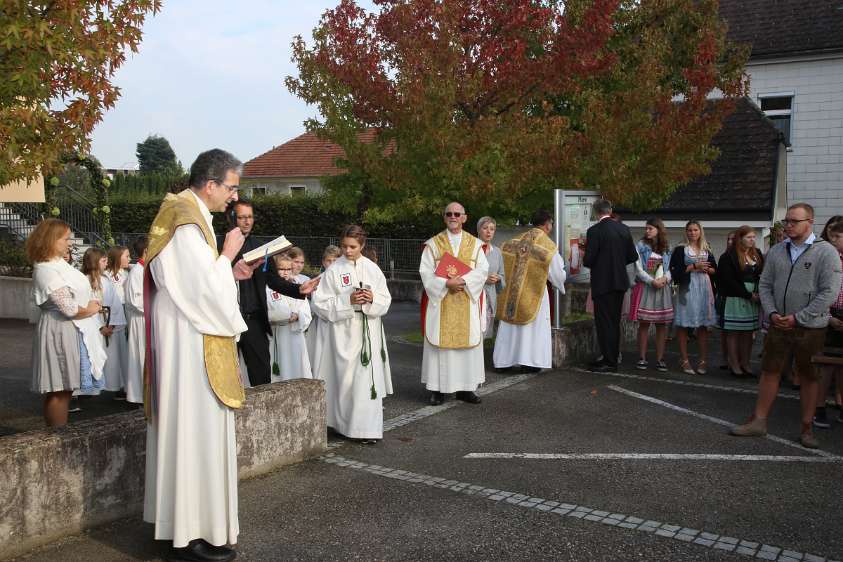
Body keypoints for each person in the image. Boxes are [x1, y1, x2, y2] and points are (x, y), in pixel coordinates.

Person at [143, 149, 317, 562]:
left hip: (192, 336)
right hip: (192, 345)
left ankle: (187, 527)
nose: (233, 198)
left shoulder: (187, 214)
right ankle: (188, 536)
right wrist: (226, 256)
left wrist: (232, 270)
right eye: (231, 188)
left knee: (195, 434)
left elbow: (202, 282)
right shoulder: (186, 221)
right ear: (211, 184)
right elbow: (200, 292)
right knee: (195, 432)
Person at [730, 203, 842, 449]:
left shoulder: (827, 253)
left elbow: (829, 293)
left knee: (809, 376)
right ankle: (758, 421)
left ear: (810, 222)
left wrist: (799, 317)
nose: (788, 225)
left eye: (794, 221)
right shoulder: (778, 250)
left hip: (810, 326)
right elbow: (765, 284)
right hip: (778, 323)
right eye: (787, 221)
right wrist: (771, 313)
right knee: (770, 370)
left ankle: (806, 428)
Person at [221, 200, 316, 387]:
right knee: (225, 374)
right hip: (226, 318)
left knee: (261, 374)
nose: (247, 222)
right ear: (231, 218)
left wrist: (298, 290)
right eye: (241, 217)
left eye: (250, 217)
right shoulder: (219, 245)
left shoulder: (260, 247)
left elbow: (273, 280)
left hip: (254, 319)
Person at [311, 225, 392, 442]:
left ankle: (366, 430)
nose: (348, 251)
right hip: (343, 333)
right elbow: (319, 304)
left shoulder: (373, 269)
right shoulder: (334, 270)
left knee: (365, 382)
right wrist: (348, 301)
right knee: (344, 381)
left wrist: (372, 298)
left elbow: (386, 299)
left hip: (368, 332)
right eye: (345, 246)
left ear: (362, 245)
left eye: (353, 247)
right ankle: (341, 424)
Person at [27, 219, 104, 426]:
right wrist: (92, 309)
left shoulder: (58, 265)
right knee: (59, 388)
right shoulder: (45, 269)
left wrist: (88, 306)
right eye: (65, 238)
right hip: (59, 329)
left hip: (70, 328)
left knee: (66, 388)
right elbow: (68, 308)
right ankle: (56, 436)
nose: (69, 243)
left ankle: (60, 433)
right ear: (51, 240)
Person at [420, 202, 489, 405]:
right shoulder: (433, 244)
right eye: (449, 214)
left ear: (464, 218)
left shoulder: (476, 244)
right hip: (441, 303)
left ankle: (466, 389)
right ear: (444, 217)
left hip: (467, 300)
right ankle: (438, 390)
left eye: (457, 214)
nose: (453, 217)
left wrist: (464, 281)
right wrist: (445, 283)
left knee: (466, 348)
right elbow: (425, 272)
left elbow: (482, 270)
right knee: (441, 348)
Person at [492, 209, 565, 372]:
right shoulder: (547, 246)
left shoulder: (513, 241)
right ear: (547, 225)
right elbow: (558, 274)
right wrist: (561, 282)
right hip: (533, 292)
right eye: (551, 224)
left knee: (510, 328)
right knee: (533, 329)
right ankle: (529, 363)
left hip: (512, 293)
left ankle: (504, 362)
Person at [583, 199, 639, 373]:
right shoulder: (623, 229)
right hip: (620, 282)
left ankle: (609, 361)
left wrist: (586, 252)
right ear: (610, 210)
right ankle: (611, 357)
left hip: (603, 282)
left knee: (604, 322)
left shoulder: (594, 231)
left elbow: (589, 260)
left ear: (596, 212)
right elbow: (632, 256)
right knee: (614, 322)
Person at [668, 220, 718, 375]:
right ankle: (684, 359)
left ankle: (703, 360)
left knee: (702, 325)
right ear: (686, 232)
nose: (692, 233)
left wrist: (708, 270)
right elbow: (674, 271)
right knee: (683, 325)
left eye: (695, 230)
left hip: (704, 288)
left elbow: (715, 269)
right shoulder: (680, 249)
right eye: (689, 230)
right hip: (687, 289)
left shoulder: (706, 248)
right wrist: (693, 266)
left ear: (700, 231)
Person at [717, 226, 764, 377]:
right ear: (740, 238)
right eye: (749, 237)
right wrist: (748, 294)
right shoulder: (728, 256)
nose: (752, 240)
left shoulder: (757, 254)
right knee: (733, 332)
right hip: (735, 298)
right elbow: (728, 280)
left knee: (748, 332)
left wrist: (758, 292)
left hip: (753, 298)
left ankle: (746, 363)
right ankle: (734, 364)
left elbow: (761, 275)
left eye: (753, 237)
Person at [630, 218, 673, 372]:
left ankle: (660, 358)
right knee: (644, 323)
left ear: (658, 230)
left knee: (661, 325)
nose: (647, 231)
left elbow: (670, 267)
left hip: (662, 287)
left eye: (650, 228)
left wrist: (665, 279)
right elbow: (638, 268)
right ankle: (642, 357)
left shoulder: (666, 247)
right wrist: (651, 281)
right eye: (646, 228)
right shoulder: (640, 246)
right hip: (648, 287)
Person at [813, 217, 843, 429]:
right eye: (833, 236)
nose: (835, 239)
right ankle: (819, 407)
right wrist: (828, 317)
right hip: (830, 313)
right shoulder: (825, 257)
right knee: (827, 365)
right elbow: (818, 289)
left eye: (838, 236)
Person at [267, 254, 313, 381]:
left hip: (293, 335)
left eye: (288, 269)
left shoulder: (297, 286)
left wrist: (298, 315)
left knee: (295, 367)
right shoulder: (268, 287)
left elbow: (305, 308)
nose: (285, 273)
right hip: (275, 333)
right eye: (281, 269)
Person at [306, 245, 343, 360]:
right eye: (329, 261)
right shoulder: (319, 280)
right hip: (325, 324)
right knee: (325, 357)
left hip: (342, 323)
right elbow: (316, 304)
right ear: (323, 262)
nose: (332, 264)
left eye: (335, 260)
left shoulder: (344, 278)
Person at [103, 246, 130, 398]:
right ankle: (115, 384)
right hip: (112, 316)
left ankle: (124, 385)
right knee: (113, 353)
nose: (129, 259)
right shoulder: (106, 276)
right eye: (126, 256)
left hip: (125, 314)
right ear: (118, 257)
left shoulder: (126, 274)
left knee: (123, 352)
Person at [124, 235, 148, 404]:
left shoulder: (146, 269)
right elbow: (136, 301)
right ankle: (139, 396)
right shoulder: (136, 272)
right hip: (140, 321)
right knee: (140, 357)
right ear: (146, 251)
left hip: (147, 320)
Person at [476, 216, 505, 339]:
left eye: (492, 229)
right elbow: (464, 274)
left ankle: (480, 358)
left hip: (490, 299)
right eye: (485, 228)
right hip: (474, 297)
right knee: (473, 334)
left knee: (483, 334)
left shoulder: (497, 251)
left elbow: (503, 275)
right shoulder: (471, 249)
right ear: (478, 230)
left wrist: (498, 278)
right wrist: (484, 279)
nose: (489, 232)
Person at [717, 230, 737, 371]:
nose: (730, 242)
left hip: (739, 298)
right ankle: (726, 358)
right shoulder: (724, 257)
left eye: (733, 239)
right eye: (728, 239)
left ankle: (736, 358)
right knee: (725, 330)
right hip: (725, 297)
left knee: (738, 332)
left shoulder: (744, 256)